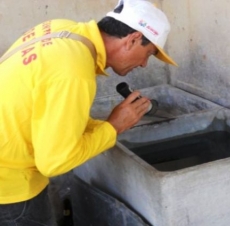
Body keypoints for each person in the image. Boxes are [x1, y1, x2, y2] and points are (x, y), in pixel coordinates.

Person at [0, 0, 177, 225]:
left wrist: (105, 123)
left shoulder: (61, 29)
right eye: (148, 53)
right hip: (9, 187)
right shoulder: (74, 70)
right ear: (132, 39)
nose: (143, 65)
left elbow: (47, 112)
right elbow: (54, 163)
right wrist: (113, 128)